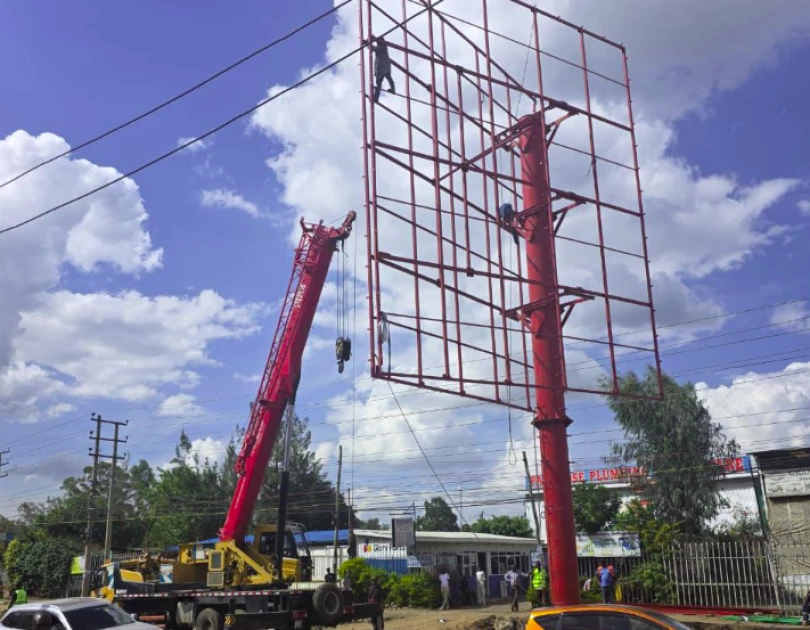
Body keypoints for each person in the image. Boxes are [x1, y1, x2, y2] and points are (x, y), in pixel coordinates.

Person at [371, 37, 396, 103]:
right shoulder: (381, 46)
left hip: (383, 66)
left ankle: (392, 90)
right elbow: (376, 60)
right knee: (380, 82)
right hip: (381, 67)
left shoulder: (383, 46)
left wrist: (369, 44)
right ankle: (376, 97)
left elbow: (375, 49)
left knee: (385, 79)